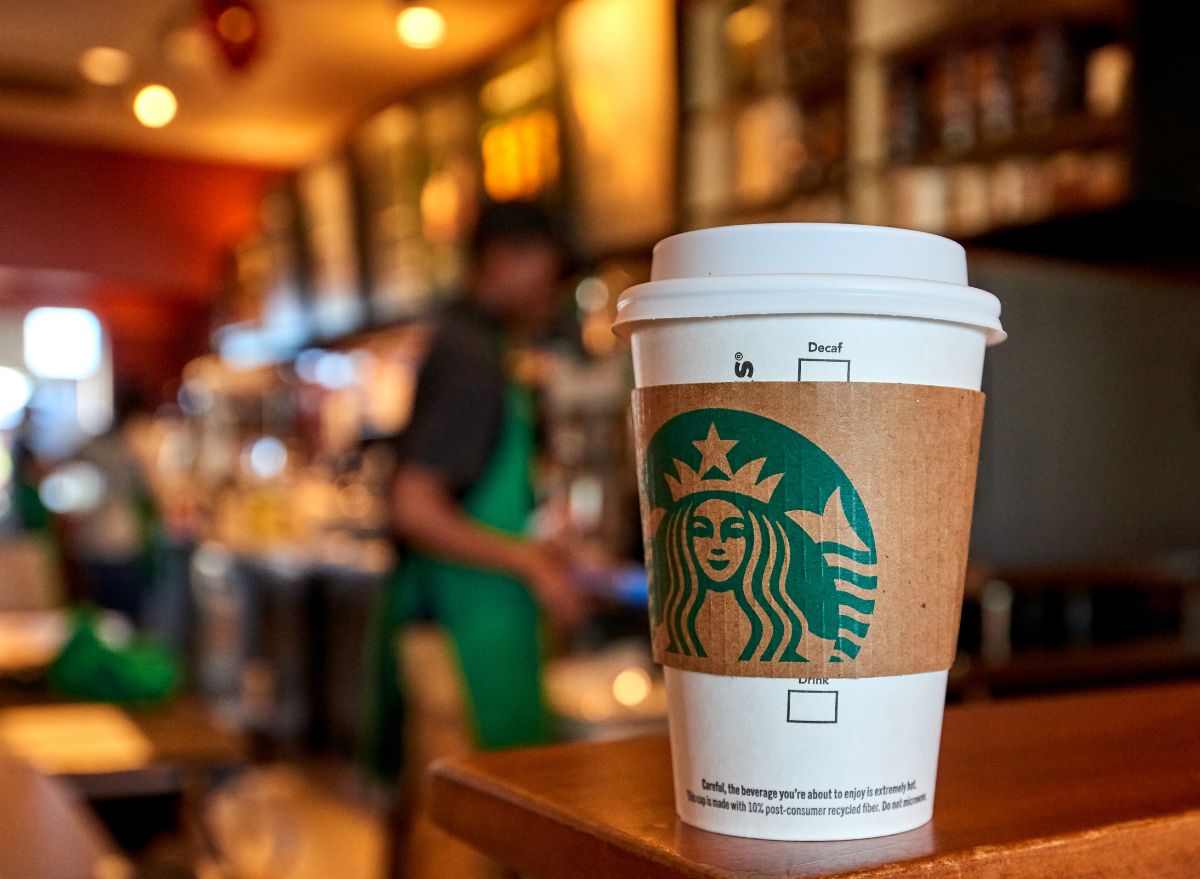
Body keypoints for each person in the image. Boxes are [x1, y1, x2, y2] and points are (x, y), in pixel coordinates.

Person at [367, 201, 588, 878]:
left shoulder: (475, 347)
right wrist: (530, 562)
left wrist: (549, 551)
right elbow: (413, 503)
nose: (547, 294)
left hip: (472, 629)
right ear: (505, 258)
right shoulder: (468, 358)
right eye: (545, 275)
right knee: (456, 843)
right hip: (457, 644)